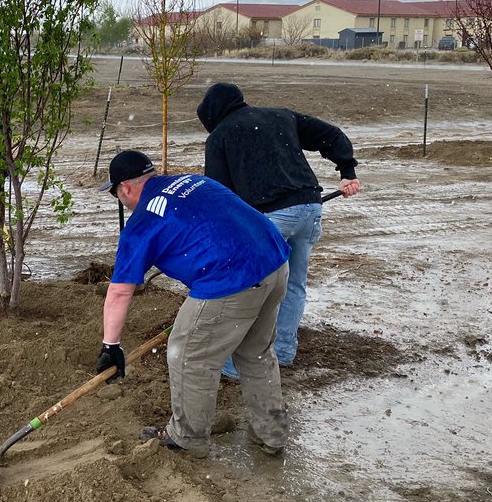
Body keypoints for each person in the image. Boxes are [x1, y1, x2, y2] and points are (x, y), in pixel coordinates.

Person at [96, 150, 291, 458]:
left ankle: (187, 437)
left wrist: (111, 346)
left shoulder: (143, 223)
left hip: (230, 279)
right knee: (256, 352)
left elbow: (120, 291)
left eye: (116, 194)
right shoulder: (194, 181)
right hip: (274, 263)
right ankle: (273, 433)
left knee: (188, 354)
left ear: (125, 188)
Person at [197, 83, 361, 369]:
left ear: (212, 115)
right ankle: (283, 353)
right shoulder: (281, 116)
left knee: (245, 289)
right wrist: (347, 171)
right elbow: (330, 134)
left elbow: (220, 196)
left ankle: (234, 366)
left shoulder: (220, 137)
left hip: (271, 219)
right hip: (310, 209)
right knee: (293, 285)